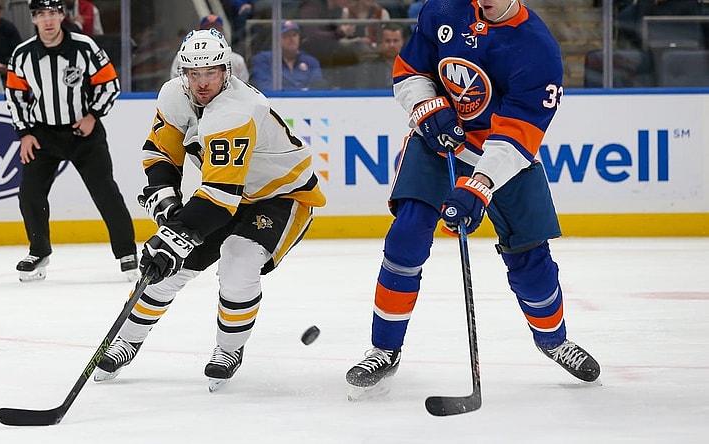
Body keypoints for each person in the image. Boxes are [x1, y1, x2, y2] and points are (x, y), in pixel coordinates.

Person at [345, 0, 601, 400]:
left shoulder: (537, 49)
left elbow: (518, 134)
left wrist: (479, 184)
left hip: (504, 156)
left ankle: (553, 340)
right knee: (406, 235)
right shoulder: (444, 9)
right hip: (438, 145)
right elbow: (411, 71)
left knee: (530, 257)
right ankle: (384, 349)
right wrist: (426, 104)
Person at [91, 28, 326, 391]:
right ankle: (126, 340)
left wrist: (174, 235)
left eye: (211, 73)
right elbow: (161, 153)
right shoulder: (173, 95)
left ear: (226, 72)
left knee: (238, 259)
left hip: (283, 197)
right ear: (183, 73)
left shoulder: (236, 110)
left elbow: (219, 198)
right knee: (168, 269)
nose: (202, 83)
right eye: (194, 73)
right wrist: (164, 196)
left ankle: (229, 349)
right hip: (227, 194)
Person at [4, 0, 138, 282]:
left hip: (84, 133)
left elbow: (110, 84)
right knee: (30, 193)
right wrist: (25, 133)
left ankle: (127, 252)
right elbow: (14, 97)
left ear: (62, 16)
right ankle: (39, 250)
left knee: (105, 192)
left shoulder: (85, 47)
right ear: (34, 19)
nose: (48, 20)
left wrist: (93, 115)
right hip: (43, 134)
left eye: (53, 13)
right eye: (42, 15)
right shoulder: (23, 54)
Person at [169, 14, 249, 83]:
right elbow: (176, 85)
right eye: (207, 30)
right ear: (200, 33)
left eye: (216, 30)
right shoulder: (183, 57)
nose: (212, 34)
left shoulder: (237, 60)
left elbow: (244, 86)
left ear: (223, 33)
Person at [250, 20, 324, 91]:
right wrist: (299, 91)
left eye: (294, 35)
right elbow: (265, 87)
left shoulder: (311, 62)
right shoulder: (264, 60)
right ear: (277, 39)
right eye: (286, 35)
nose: (291, 39)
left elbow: (317, 87)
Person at [353, 22, 404, 89]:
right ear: (380, 43)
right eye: (387, 41)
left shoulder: (411, 66)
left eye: (395, 41)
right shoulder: (369, 67)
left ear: (402, 42)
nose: (392, 45)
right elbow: (363, 92)